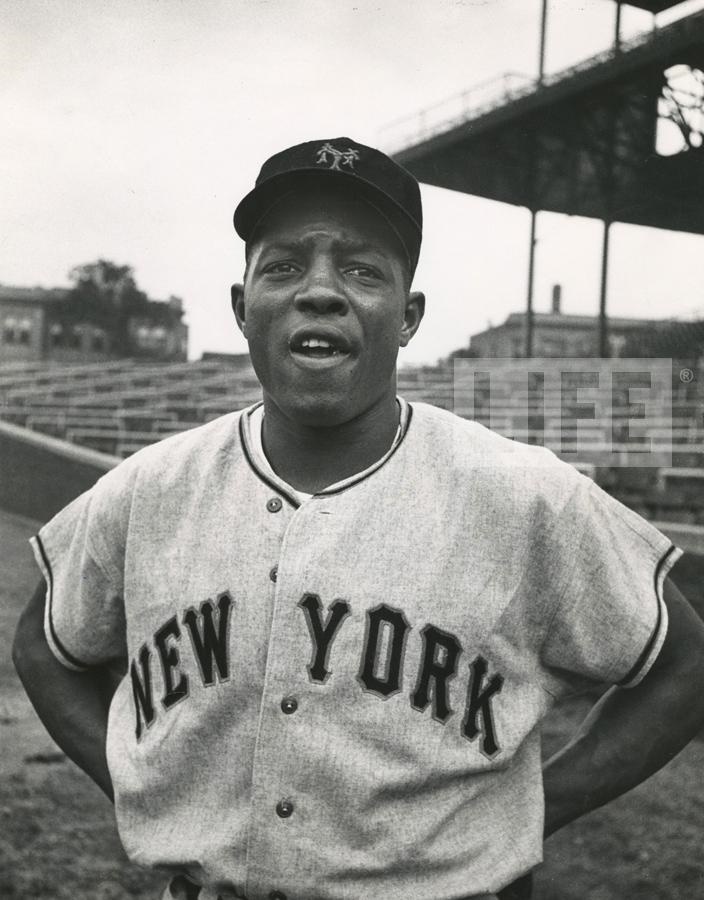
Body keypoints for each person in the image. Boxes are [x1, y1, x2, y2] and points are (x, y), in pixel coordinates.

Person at [12, 136, 704, 900]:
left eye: (361, 268)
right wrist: (154, 793)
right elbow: (44, 649)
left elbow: (686, 664)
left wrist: (536, 807)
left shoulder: (524, 493)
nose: (319, 291)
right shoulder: (150, 488)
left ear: (408, 317)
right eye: (282, 266)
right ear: (243, 309)